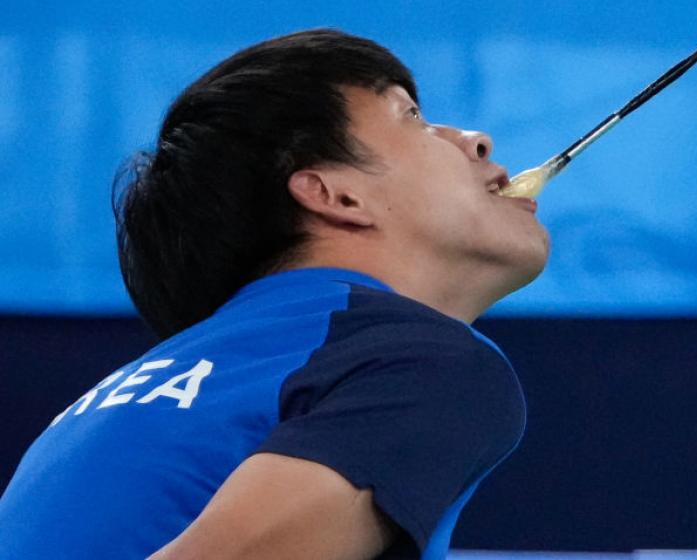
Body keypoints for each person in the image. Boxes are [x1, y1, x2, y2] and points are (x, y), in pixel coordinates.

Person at [0, 29, 549, 559]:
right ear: (337, 194)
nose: (476, 141)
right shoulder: (415, 358)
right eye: (412, 117)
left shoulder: (96, 413)